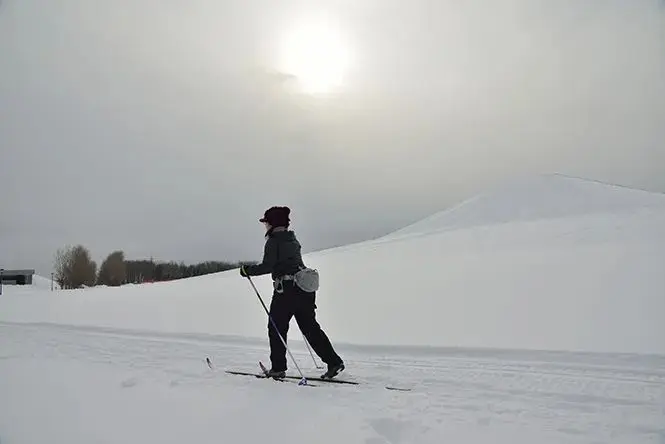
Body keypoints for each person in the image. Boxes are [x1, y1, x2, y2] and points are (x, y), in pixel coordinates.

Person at [239, 206, 345, 379]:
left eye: (266, 222)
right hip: (304, 289)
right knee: (310, 328)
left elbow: (268, 266)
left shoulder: (273, 241)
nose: (265, 226)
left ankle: (278, 368)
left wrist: (247, 270)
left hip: (286, 291)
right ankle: (334, 362)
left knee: (277, 328)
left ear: (272, 223)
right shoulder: (292, 239)